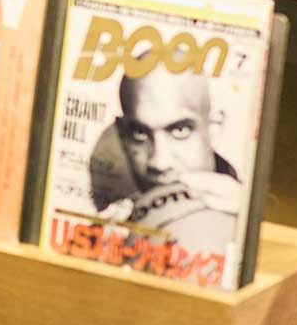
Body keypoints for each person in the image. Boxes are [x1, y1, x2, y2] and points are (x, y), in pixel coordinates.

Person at [85, 65, 241, 267]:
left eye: (180, 130)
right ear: (123, 134)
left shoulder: (244, 212)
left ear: (214, 128)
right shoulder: (109, 225)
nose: (158, 162)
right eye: (140, 134)